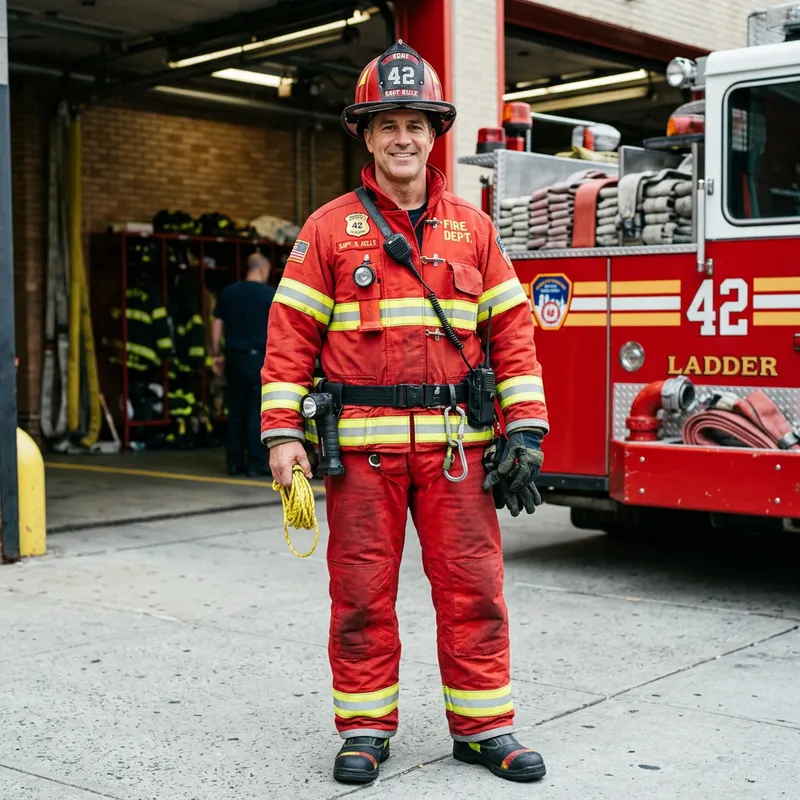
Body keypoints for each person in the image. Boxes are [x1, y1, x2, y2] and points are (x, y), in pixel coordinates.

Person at [260, 41, 549, 785]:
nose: (403, 137)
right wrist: (282, 434)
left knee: (474, 589)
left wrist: (525, 429)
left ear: (434, 133)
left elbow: (513, 334)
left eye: (416, 123)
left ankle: (485, 728)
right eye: (387, 123)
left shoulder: (474, 230)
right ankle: (364, 729)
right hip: (362, 456)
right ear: (365, 132)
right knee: (359, 595)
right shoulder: (327, 231)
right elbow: (289, 339)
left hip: (459, 452)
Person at [212, 252, 275, 477]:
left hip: (234, 358)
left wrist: (216, 355)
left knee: (236, 411)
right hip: (259, 358)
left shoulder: (228, 293)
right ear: (263, 269)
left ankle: (233, 463)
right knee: (256, 411)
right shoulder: (269, 295)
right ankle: (256, 464)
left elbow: (217, 324)